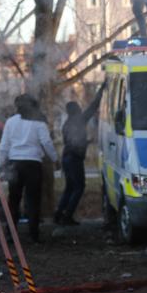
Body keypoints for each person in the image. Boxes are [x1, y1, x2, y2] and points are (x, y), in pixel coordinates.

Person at [0, 94, 58, 243]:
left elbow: (4, 145)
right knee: (33, 200)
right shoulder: (39, 123)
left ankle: (11, 234)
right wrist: (56, 159)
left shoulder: (11, 122)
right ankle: (33, 234)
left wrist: (0, 163)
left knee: (14, 200)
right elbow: (47, 142)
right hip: (33, 164)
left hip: (15, 164)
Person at [55, 83, 106, 225]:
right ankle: (67, 216)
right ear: (76, 110)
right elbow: (93, 106)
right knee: (79, 187)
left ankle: (59, 214)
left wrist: (87, 141)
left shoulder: (67, 123)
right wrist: (101, 89)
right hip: (74, 159)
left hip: (67, 157)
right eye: (78, 107)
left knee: (70, 188)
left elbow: (72, 142)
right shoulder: (79, 120)